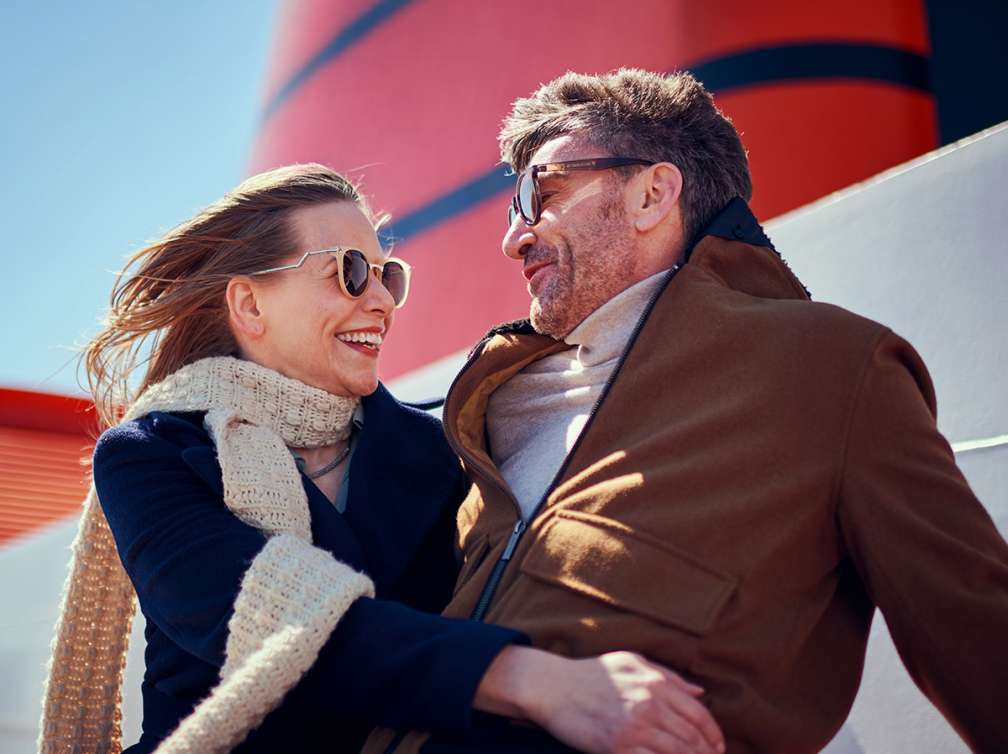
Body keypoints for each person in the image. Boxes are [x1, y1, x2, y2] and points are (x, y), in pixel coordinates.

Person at [366, 69, 1008, 754]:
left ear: (652, 194)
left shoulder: (830, 366)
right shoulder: (486, 413)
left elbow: (974, 628)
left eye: (539, 193)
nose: (513, 238)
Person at [38, 164, 725, 754]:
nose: (381, 301)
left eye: (387, 275)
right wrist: (533, 680)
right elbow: (260, 617)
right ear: (249, 304)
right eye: (351, 271)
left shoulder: (441, 449)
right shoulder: (153, 454)